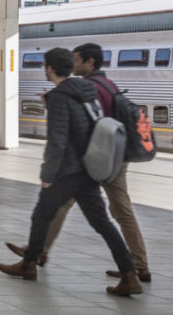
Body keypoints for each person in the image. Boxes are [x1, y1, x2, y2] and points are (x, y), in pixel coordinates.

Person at [0, 47, 140, 297]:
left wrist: (47, 174)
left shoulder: (60, 96)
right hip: (88, 168)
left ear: (49, 68)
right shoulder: (85, 90)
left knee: (41, 216)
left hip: (68, 171)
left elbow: (58, 140)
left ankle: (29, 264)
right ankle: (130, 275)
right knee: (102, 223)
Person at [31, 43, 150, 284]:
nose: (73, 65)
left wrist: (54, 103)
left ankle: (36, 255)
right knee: (110, 214)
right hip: (108, 154)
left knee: (70, 207)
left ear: (90, 63)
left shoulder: (90, 88)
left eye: (77, 60)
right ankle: (136, 267)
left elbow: (74, 128)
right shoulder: (104, 84)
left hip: (98, 158)